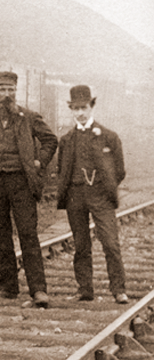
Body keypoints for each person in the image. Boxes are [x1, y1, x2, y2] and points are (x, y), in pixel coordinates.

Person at [0, 71, 57, 307]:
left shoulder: (27, 117)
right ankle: (9, 286)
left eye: (10, 90)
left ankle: (38, 290)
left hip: (20, 183)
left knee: (28, 233)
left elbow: (50, 140)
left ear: (15, 93)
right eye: (2, 90)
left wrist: (40, 162)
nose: (6, 95)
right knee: (1, 235)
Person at [56, 85, 128, 304]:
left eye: (84, 107)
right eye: (75, 108)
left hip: (101, 197)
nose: (80, 112)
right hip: (76, 197)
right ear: (71, 109)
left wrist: (105, 187)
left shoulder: (108, 137)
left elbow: (120, 170)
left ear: (91, 107)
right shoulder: (67, 140)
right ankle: (85, 289)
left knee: (110, 243)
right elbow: (62, 170)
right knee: (81, 245)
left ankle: (118, 290)